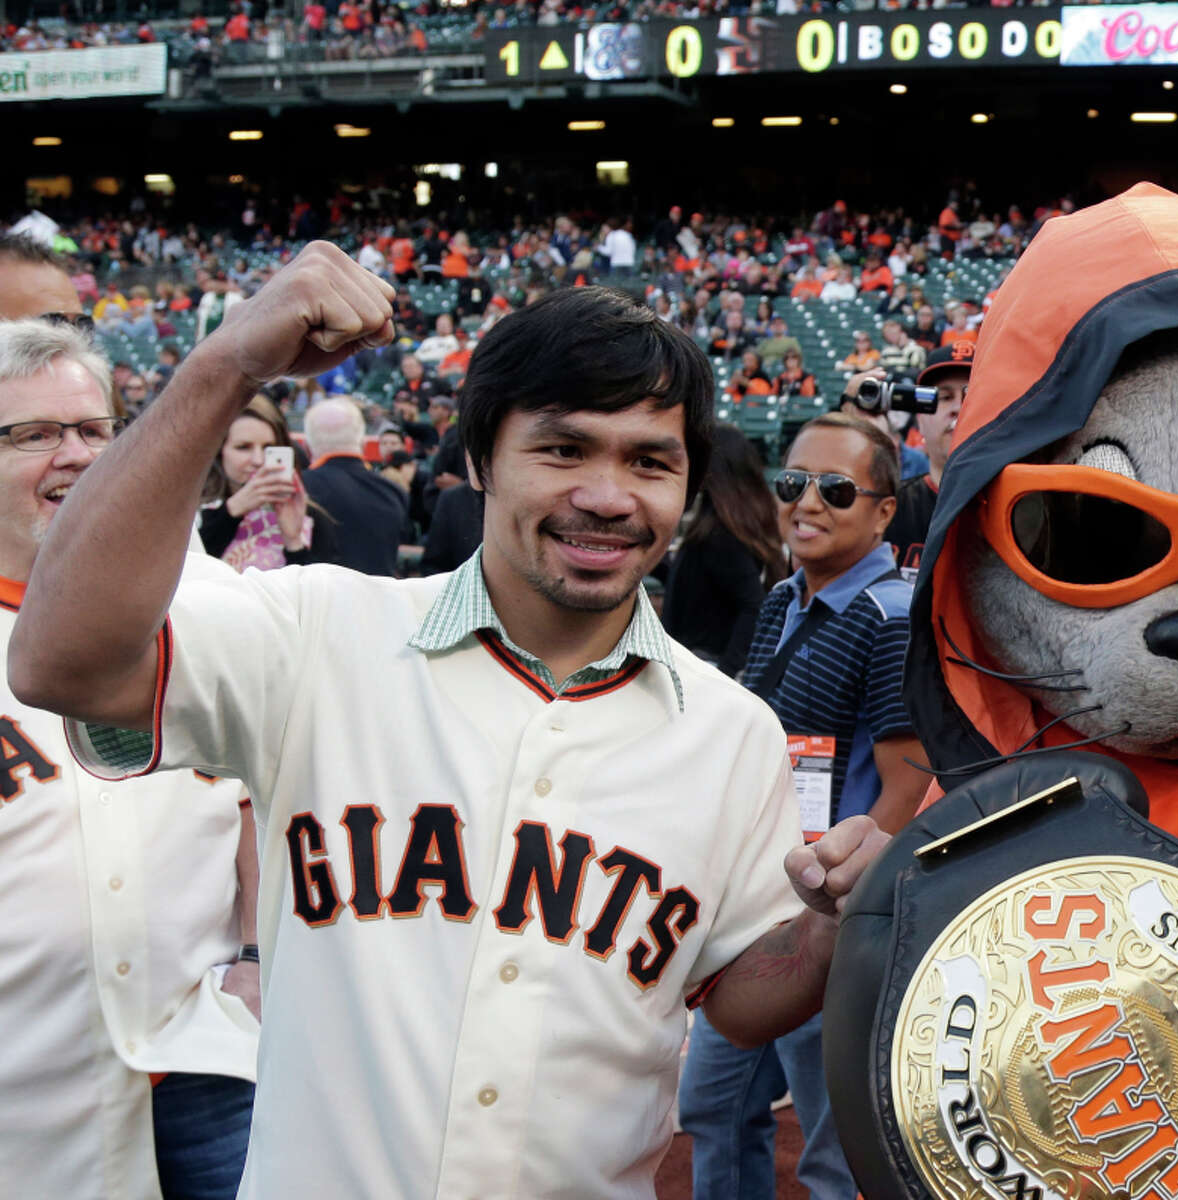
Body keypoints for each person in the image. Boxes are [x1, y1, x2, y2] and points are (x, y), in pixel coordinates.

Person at [7, 248, 887, 1199]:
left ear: (688, 484)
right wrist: (226, 367)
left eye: (649, 460)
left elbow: (741, 996)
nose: (606, 493)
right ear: (478, 459)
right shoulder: (317, 631)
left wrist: (832, 929)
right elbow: (62, 661)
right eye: (562, 448)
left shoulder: (732, 731)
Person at [0, 319, 259, 1200]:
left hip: (212, 1053)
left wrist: (259, 957)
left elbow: (270, 790)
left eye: (95, 430)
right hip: (27, 1077)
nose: (73, 457)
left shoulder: (215, 603)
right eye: (34, 434)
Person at [679, 412, 930, 1200]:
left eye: (836, 488)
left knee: (830, 1154)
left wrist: (843, 913)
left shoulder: (893, 615)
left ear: (885, 510)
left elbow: (908, 787)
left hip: (829, 922)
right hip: (758, 911)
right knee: (710, 1108)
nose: (807, 503)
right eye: (793, 483)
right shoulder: (786, 597)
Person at [663, 426, 784, 677]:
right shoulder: (722, 526)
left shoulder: (721, 535)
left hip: (703, 666)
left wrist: (725, 674)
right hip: (696, 661)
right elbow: (699, 590)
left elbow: (753, 605)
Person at [198, 394, 337, 571]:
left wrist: (293, 542)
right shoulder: (193, 514)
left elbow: (316, 592)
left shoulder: (309, 516)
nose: (258, 460)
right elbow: (187, 574)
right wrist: (230, 513)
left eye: (268, 448)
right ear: (219, 452)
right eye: (244, 447)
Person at [884, 342, 970, 578]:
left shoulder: (1022, 507)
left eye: (971, 395)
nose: (957, 408)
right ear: (920, 419)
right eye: (944, 397)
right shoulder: (887, 510)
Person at [298, 396, 410, 575]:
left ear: (307, 448)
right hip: (378, 599)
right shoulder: (394, 491)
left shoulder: (298, 489)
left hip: (318, 599)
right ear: (364, 444)